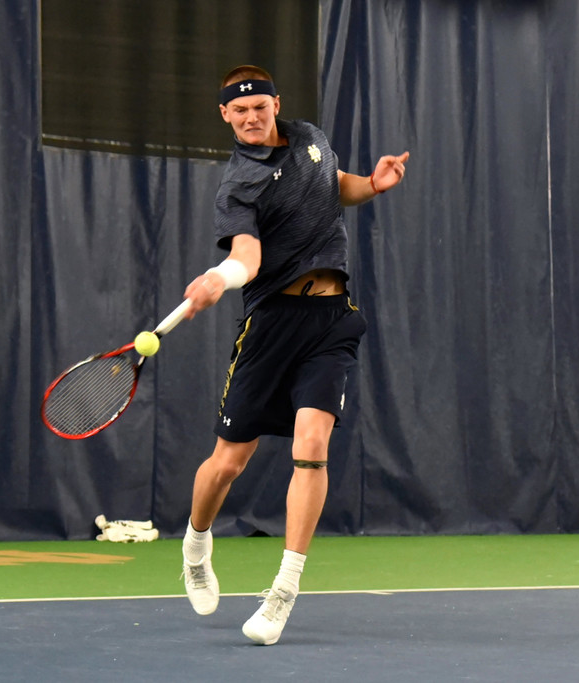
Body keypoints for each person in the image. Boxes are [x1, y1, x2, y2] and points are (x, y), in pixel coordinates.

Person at [178, 65, 409, 646]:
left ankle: (282, 592)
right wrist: (220, 276)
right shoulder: (238, 187)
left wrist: (373, 184)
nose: (251, 117)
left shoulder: (310, 138)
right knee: (228, 463)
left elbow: (335, 188)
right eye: (239, 110)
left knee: (312, 444)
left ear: (275, 104)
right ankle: (196, 542)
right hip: (270, 325)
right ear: (225, 116)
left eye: (259, 106)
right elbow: (248, 257)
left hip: (331, 321)